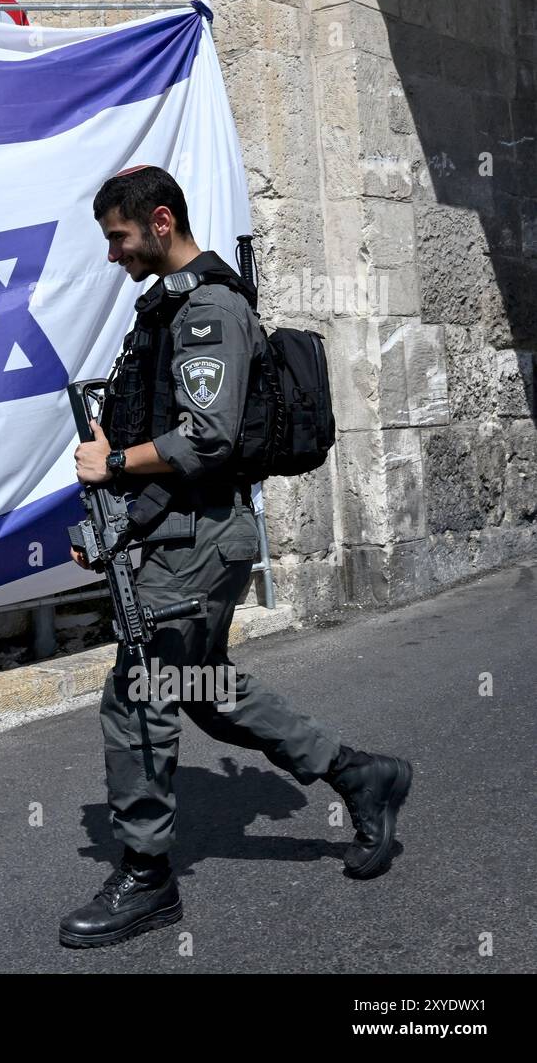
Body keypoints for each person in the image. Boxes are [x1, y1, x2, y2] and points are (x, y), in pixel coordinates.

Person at [59, 166, 412, 949]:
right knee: (207, 689)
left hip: (197, 536)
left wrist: (115, 467)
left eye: (118, 238)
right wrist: (113, 522)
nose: (113, 254)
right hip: (172, 531)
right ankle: (362, 774)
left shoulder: (209, 309)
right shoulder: (166, 310)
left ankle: (146, 877)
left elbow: (207, 435)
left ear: (158, 221)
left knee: (141, 694)